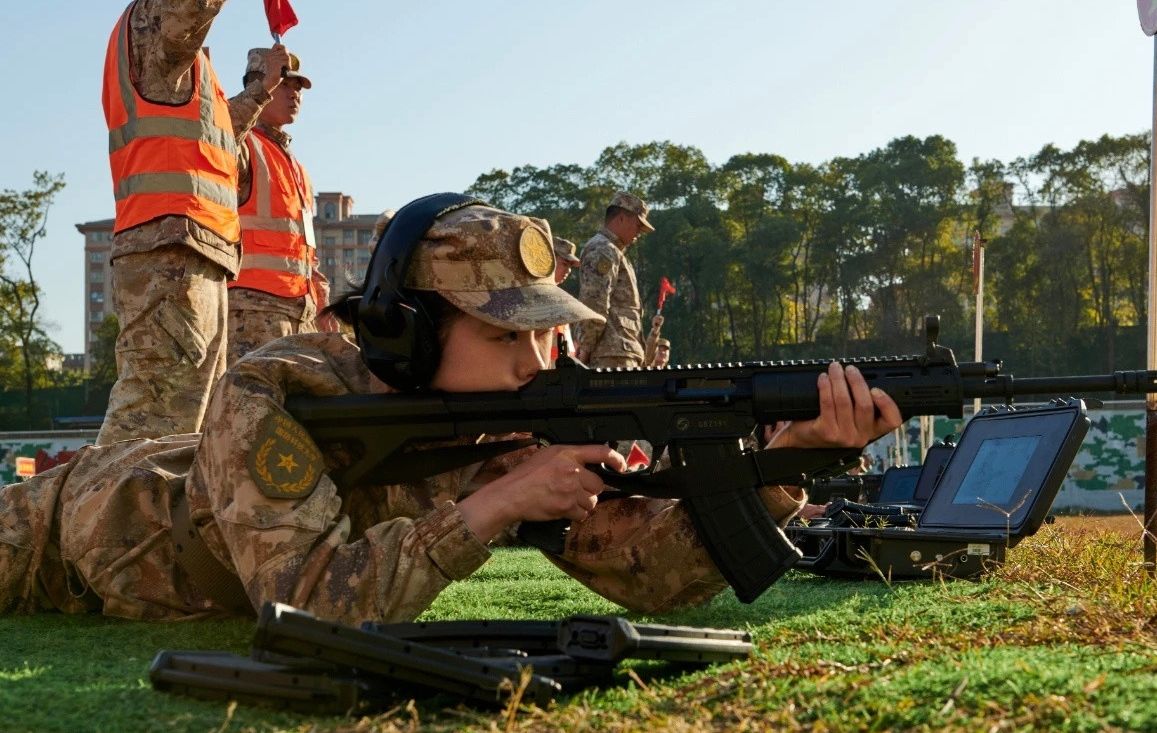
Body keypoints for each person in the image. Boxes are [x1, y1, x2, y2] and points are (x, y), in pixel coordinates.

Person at [0, 197, 902, 623]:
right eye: (506, 336)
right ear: (409, 333)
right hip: (63, 539)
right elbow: (309, 606)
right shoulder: (275, 389)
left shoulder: (497, 427)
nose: (537, 363)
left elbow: (647, 574)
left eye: (546, 336)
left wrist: (787, 461)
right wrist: (492, 510)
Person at [98, 0, 290, 444]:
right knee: (151, 426)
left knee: (182, 426)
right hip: (171, 249)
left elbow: (219, 136)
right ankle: (68, 518)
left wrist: (262, 88)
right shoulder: (156, 20)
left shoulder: (178, 56)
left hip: (189, 251)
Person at [227, 49, 331, 361]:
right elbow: (214, 131)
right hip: (251, 314)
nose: (294, 94)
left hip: (300, 316)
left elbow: (304, 249)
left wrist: (322, 302)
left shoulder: (297, 169)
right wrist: (259, 92)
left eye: (297, 88)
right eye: (285, 85)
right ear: (259, 85)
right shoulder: (243, 147)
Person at [573, 191, 654, 368]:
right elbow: (595, 301)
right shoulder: (603, 249)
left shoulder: (613, 251)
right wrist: (586, 347)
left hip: (619, 350)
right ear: (622, 219)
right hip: (610, 354)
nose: (639, 233)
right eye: (638, 225)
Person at [550, 237, 579, 360]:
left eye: (570, 266)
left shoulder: (558, 296)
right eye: (565, 264)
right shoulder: (535, 297)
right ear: (549, 260)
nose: (569, 270)